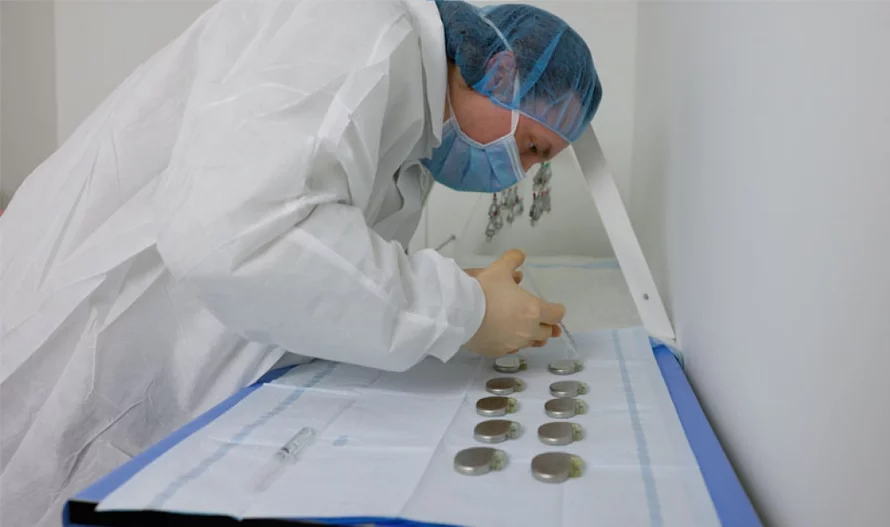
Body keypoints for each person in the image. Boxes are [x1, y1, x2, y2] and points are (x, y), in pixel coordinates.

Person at [0, 0, 602, 524]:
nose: (519, 172)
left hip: (161, 371)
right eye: (530, 147)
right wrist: (464, 310)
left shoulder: (409, 139)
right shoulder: (363, 31)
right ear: (498, 70)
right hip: (92, 339)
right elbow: (240, 237)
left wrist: (458, 292)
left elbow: (317, 269)